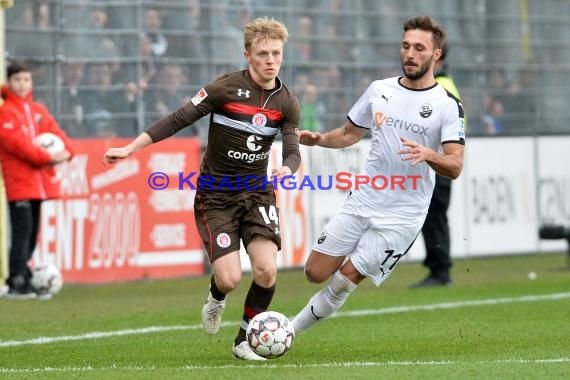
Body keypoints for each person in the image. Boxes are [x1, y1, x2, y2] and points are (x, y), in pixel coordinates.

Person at [102, 17, 300, 360]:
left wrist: (288, 167)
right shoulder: (224, 88)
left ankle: (243, 342)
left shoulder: (287, 103)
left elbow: (293, 149)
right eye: (263, 53)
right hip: (217, 195)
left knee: (266, 270)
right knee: (229, 278)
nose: (271, 60)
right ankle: (216, 298)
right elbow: (178, 118)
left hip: (257, 193)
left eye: (277, 53)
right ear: (248, 55)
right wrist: (129, 149)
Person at [291, 16, 465, 334]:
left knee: (345, 279)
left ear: (435, 55)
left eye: (419, 48)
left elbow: (455, 166)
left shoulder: (447, 105)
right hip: (365, 198)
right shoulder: (379, 90)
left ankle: (288, 331)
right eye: (406, 46)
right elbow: (348, 133)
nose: (410, 53)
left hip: (404, 215)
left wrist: (429, 154)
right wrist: (320, 140)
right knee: (315, 272)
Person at [0, 61, 74, 299]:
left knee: (32, 234)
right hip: (19, 183)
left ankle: (20, 276)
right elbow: (19, 147)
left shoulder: (38, 111)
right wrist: (49, 158)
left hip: (38, 185)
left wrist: (67, 152)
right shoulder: (5, 112)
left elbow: (60, 136)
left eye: (26, 80)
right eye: (17, 80)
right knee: (22, 233)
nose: (22, 84)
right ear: (8, 82)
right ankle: (17, 282)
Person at [411, 42, 463, 288]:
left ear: (437, 58)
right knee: (432, 216)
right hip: (433, 161)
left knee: (434, 216)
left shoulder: (440, 87)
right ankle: (438, 268)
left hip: (437, 162)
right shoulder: (444, 84)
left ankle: (441, 271)